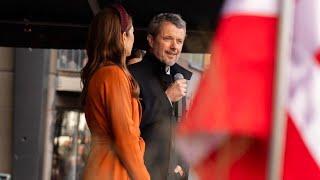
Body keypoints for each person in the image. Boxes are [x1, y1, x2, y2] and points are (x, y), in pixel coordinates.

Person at [80, 4, 150, 180]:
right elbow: (125, 139)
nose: (134, 38)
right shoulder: (113, 75)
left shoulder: (101, 73)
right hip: (113, 171)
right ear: (122, 36)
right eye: (132, 32)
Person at [129, 13, 192, 180]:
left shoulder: (181, 77)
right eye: (168, 38)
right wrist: (167, 99)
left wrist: (183, 166)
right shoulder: (131, 76)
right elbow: (127, 127)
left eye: (179, 41)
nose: (175, 47)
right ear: (151, 40)